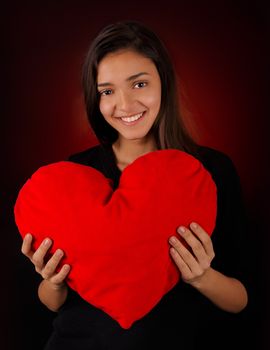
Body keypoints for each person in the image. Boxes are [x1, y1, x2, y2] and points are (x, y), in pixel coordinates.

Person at [21, 20, 250, 349]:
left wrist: (202, 277)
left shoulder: (210, 172)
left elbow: (241, 299)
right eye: (108, 91)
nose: (125, 105)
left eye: (139, 84)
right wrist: (51, 280)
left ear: (163, 83)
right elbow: (53, 302)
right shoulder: (71, 176)